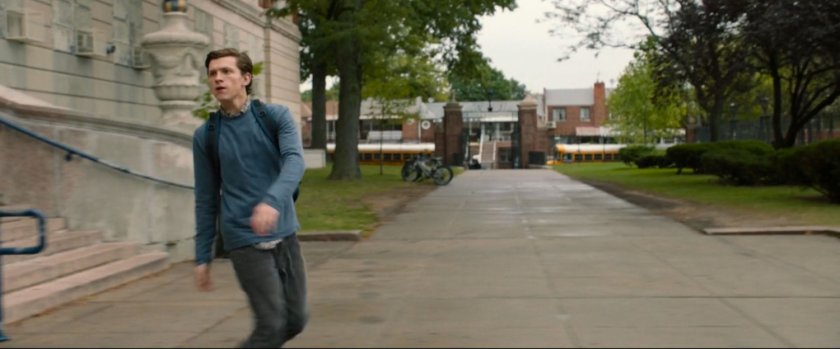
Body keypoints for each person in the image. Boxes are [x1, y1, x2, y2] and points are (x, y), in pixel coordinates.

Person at [192, 48, 307, 348]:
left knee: (296, 320)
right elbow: (205, 198)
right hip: (242, 238)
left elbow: (295, 162)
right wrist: (203, 255)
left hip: (285, 233)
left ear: (245, 78)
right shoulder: (207, 135)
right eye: (213, 73)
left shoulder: (275, 117)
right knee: (270, 324)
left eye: (226, 71)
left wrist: (271, 201)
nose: (218, 78)